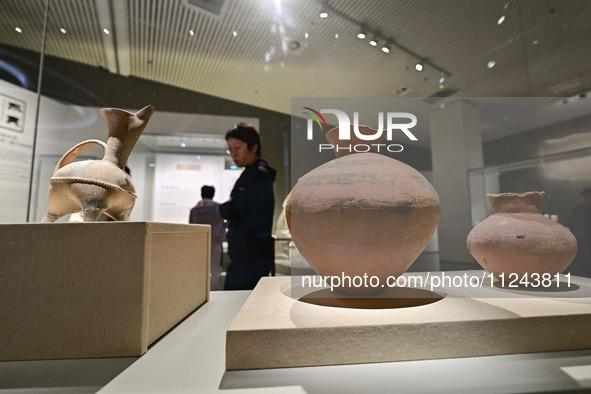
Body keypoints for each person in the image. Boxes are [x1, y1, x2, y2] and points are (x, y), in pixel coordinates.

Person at [220, 123, 276, 290]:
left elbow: (234, 210)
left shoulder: (256, 174)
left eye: (238, 147)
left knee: (239, 306)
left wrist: (226, 207)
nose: (233, 154)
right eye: (230, 149)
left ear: (254, 147)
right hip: (249, 255)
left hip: (249, 258)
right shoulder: (255, 173)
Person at [189, 185, 227, 290]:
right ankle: (214, 290)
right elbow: (227, 222)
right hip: (216, 240)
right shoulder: (218, 207)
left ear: (201, 193)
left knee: (200, 268)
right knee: (215, 268)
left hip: (200, 241)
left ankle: (200, 291)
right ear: (213, 194)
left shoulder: (195, 209)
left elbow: (191, 225)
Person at [567, 187, 591, 277]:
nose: (587, 197)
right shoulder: (578, 209)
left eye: (589, 195)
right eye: (585, 196)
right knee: (580, 263)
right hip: (580, 241)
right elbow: (570, 223)